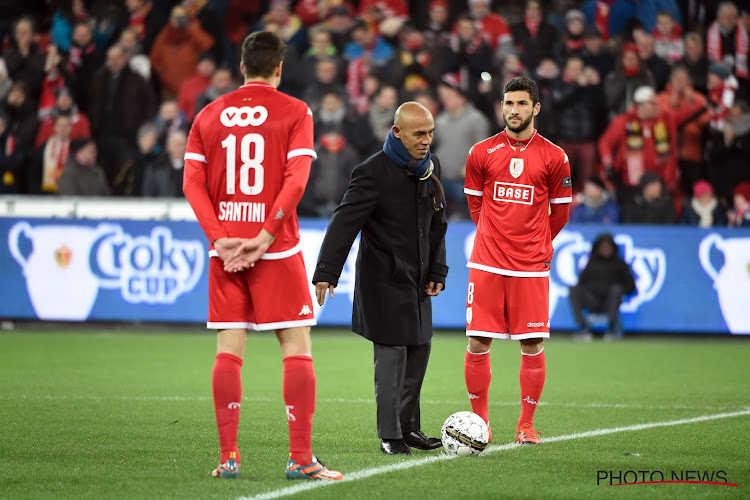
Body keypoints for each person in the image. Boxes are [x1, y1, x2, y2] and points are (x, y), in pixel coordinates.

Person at [182, 30, 343, 481]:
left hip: (226, 250)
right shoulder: (296, 111)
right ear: (279, 68)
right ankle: (301, 458)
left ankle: (228, 457)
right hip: (276, 248)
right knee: (296, 347)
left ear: (241, 67)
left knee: (228, 351)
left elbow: (192, 185)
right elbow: (296, 180)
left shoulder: (208, 115)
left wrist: (218, 238)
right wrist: (267, 234)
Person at [311, 101, 448, 456]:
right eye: (419, 133)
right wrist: (327, 271)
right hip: (383, 280)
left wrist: (437, 269)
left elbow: (438, 225)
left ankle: (410, 428)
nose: (426, 140)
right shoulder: (372, 171)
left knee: (419, 349)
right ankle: (390, 435)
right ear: (397, 132)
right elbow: (345, 222)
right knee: (391, 357)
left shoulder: (431, 168)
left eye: (430, 133)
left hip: (417, 280)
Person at [462, 76, 572, 446]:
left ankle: (526, 425)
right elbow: (476, 205)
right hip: (488, 263)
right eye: (509, 103)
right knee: (478, 342)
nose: (514, 110)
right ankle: (480, 424)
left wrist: (533, 241)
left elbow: (560, 214)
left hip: (530, 266)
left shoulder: (555, 157)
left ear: (535, 108)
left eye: (522, 104)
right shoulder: (481, 152)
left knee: (532, 344)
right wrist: (497, 238)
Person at [568, 233, 636, 342]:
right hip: (592, 300)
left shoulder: (620, 264)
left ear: (613, 248)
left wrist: (617, 289)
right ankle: (582, 327)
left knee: (616, 290)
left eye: (608, 247)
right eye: (603, 247)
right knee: (573, 289)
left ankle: (612, 328)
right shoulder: (591, 263)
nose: (605, 249)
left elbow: (631, 286)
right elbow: (581, 283)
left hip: (610, 302)